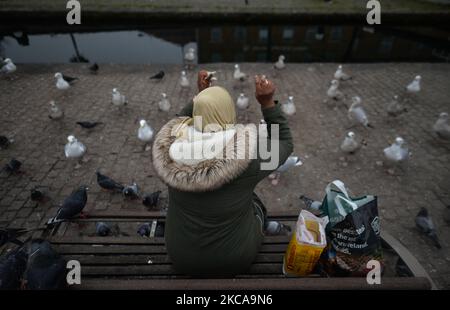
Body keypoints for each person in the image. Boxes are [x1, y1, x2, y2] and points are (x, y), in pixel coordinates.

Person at [152, 70, 293, 276]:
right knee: (255, 204)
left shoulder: (168, 149)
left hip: (182, 258)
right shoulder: (248, 157)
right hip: (234, 260)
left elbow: (178, 123)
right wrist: (267, 103)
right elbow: (284, 143)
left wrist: (201, 97)